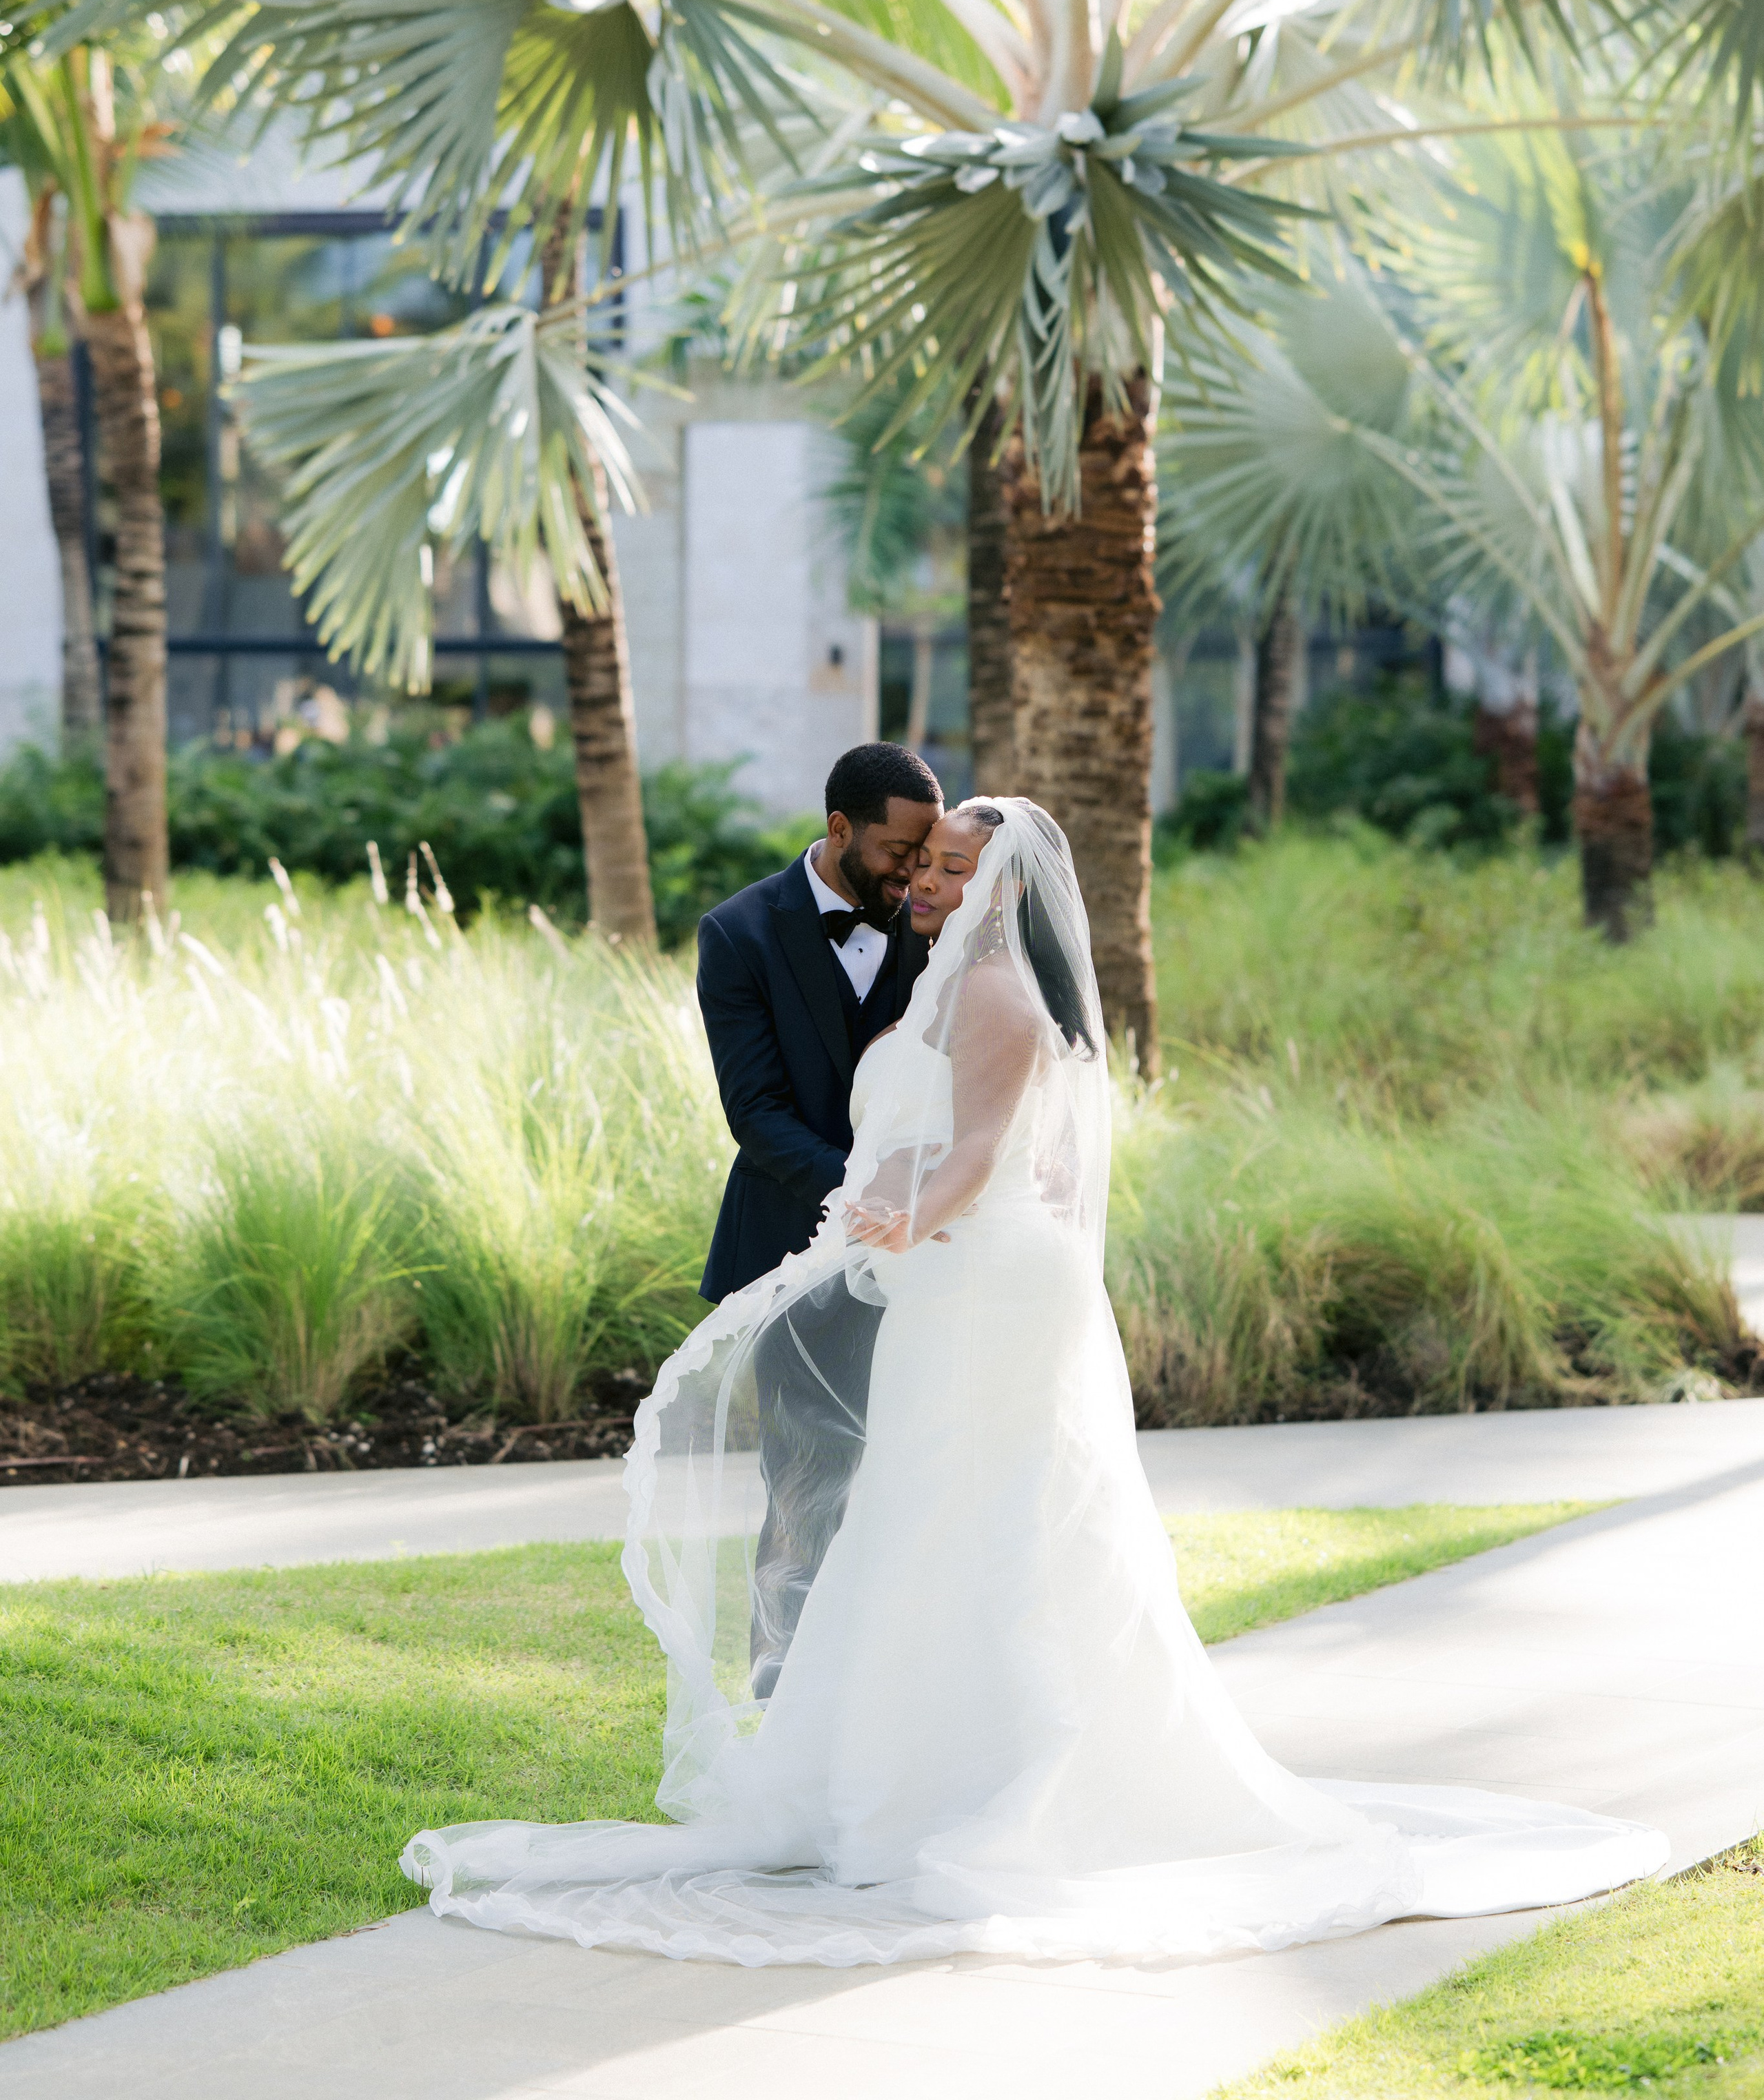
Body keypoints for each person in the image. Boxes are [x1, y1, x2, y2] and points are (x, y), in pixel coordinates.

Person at [403, 799, 1665, 1967]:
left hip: (991, 1281)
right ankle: (881, 1773)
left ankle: (1010, 1788)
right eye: (927, 861)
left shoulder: (1000, 994)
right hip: (946, 1284)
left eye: (953, 865)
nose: (927, 879)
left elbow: (976, 1158)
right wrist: (884, 1215)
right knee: (913, 1509)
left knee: (994, 1511)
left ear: (1000, 886)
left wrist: (884, 1218)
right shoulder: (940, 982)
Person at [694, 741, 941, 1691]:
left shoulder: (938, 924)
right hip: (793, 1251)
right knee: (804, 1479)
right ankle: (783, 1694)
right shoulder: (740, 933)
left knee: (915, 1472)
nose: (916, 871)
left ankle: (892, 1692)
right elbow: (757, 1117)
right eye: (898, 849)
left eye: (929, 852)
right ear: (840, 830)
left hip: (930, 1249)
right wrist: (871, 1205)